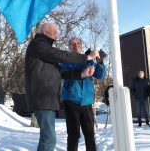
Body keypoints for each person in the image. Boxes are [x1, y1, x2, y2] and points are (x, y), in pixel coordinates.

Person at [25, 22, 99, 151]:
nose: (56, 35)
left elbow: (61, 72)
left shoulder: (46, 52)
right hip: (43, 98)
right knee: (49, 139)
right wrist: (86, 57)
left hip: (49, 100)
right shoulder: (39, 44)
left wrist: (83, 74)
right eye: (54, 32)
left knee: (46, 138)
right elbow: (60, 55)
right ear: (45, 31)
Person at [60, 37, 106, 151]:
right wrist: (84, 68)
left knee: (90, 135)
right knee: (73, 135)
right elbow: (65, 73)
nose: (76, 45)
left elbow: (101, 75)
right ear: (69, 46)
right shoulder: (65, 60)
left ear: (81, 45)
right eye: (73, 44)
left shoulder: (89, 60)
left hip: (87, 103)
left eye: (78, 43)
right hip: (71, 101)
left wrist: (100, 62)